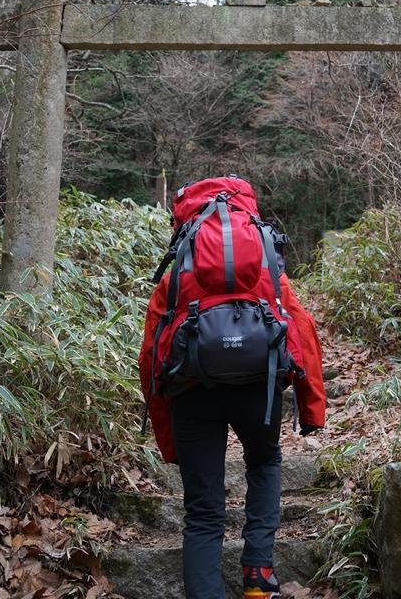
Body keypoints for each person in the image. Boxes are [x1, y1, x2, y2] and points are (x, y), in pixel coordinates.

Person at [139, 177, 326, 599]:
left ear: (184, 219)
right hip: (258, 389)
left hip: (190, 392)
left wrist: (169, 442)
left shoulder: (175, 278)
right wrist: (312, 410)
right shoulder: (268, 272)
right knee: (263, 462)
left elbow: (151, 358)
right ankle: (258, 574)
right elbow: (303, 331)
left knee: (202, 511)